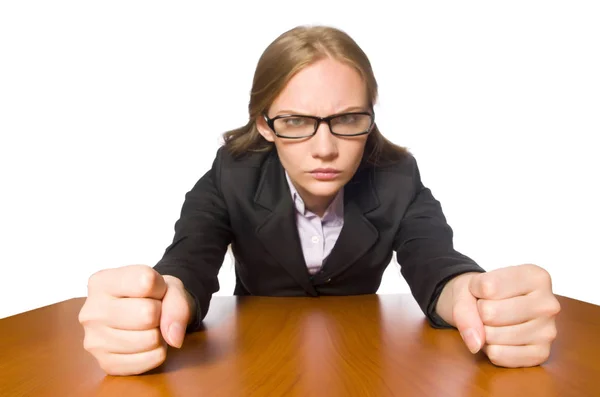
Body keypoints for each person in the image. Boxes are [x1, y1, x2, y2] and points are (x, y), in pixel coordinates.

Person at [78, 25, 561, 376]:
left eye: (348, 119)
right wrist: (162, 298)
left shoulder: (395, 177)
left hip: (367, 367)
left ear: (369, 116)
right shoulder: (233, 172)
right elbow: (190, 257)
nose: (325, 147)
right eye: (295, 121)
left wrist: (475, 299)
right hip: (256, 366)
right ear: (265, 124)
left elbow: (436, 261)